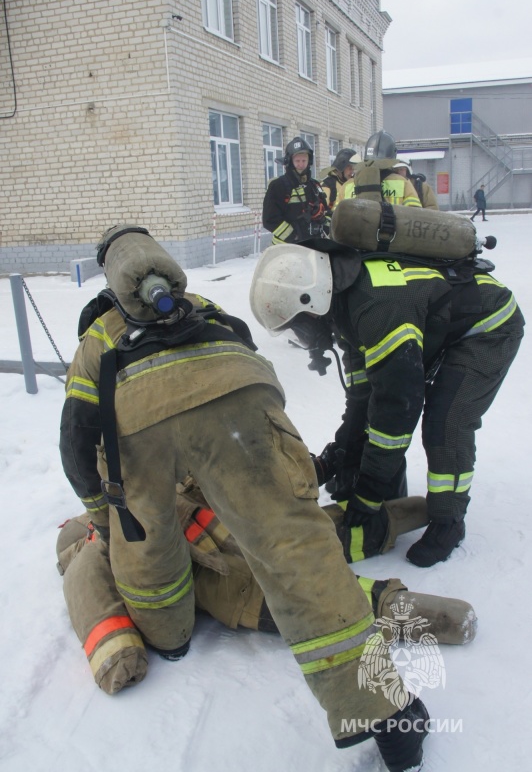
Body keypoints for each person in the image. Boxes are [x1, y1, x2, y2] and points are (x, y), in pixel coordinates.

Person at [59, 224, 430, 770]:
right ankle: (388, 716)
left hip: (141, 434)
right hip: (243, 398)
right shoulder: (201, 304)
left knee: (144, 543)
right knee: (299, 553)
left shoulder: (98, 338)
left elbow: (76, 441)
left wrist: (104, 515)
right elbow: (246, 352)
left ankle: (171, 637)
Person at [56, 477, 477, 694]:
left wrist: (118, 656)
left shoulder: (116, 513)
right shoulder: (107, 524)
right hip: (224, 561)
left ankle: (414, 530)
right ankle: (426, 591)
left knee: (318, 560)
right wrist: (117, 657)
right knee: (318, 563)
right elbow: (89, 589)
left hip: (229, 552)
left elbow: (89, 591)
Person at [250, 240, 524, 568]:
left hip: (488, 326)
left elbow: (397, 410)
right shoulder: (343, 309)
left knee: (445, 421)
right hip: (437, 322)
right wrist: (342, 457)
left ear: (312, 303)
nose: (304, 337)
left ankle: (449, 521)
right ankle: (389, 484)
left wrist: (367, 496)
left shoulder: (376, 309)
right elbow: (361, 402)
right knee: (378, 406)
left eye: (299, 326)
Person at [262, 136, 330, 244]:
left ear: (309, 161)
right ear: (290, 161)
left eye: (304, 160)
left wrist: (322, 221)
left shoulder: (315, 185)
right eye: (297, 160)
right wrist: (295, 236)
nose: (301, 164)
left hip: (314, 246)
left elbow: (327, 212)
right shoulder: (278, 186)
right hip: (285, 248)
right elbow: (270, 219)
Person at [337, 131, 422, 208]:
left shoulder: (347, 186)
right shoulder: (403, 183)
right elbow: (416, 216)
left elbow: (336, 217)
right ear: (393, 155)